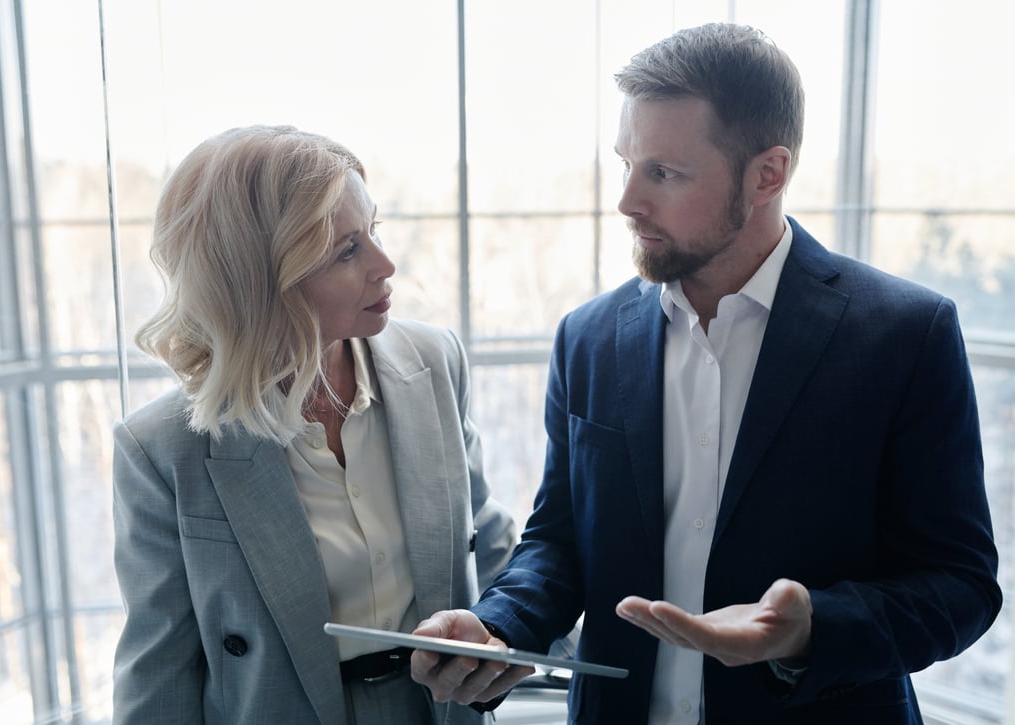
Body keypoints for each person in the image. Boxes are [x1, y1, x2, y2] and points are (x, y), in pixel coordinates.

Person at [409, 22, 1002, 724]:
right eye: (625, 163)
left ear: (767, 174)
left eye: (663, 172)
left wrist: (813, 626)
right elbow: (560, 542)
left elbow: (960, 585)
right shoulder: (588, 337)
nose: (627, 200)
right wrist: (499, 626)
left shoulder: (906, 334)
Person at [111, 125, 517, 725]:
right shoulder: (163, 448)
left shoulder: (433, 363)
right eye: (346, 251)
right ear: (259, 283)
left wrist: (506, 635)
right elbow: (159, 671)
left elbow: (491, 545)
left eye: (373, 230)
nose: (385, 264)